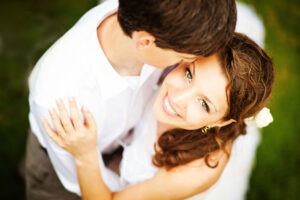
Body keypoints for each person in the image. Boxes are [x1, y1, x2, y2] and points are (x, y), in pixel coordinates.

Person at [25, 0, 237, 199]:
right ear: (145, 42)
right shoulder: (59, 98)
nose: (186, 63)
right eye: (185, 58)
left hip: (122, 139)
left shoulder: (149, 22)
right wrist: (84, 154)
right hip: (68, 164)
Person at [42, 33, 275, 200]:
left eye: (204, 103)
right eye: (189, 74)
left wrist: (84, 154)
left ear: (220, 121)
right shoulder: (169, 61)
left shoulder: (193, 172)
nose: (178, 97)